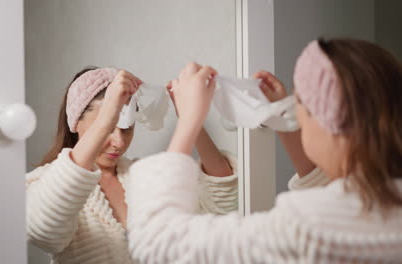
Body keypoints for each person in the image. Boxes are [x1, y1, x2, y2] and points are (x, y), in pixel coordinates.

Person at [126, 39, 402, 263]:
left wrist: (188, 119)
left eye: (301, 105)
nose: (298, 115)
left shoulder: (311, 228)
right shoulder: (382, 201)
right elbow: (330, 188)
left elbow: (158, 241)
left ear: (331, 122)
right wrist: (282, 118)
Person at [25, 66, 238, 264]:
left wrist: (190, 117)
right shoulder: (43, 182)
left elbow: (222, 205)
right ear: (76, 122)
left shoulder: (144, 177)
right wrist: (108, 114)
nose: (118, 142)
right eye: (108, 127)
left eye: (126, 128)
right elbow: (43, 231)